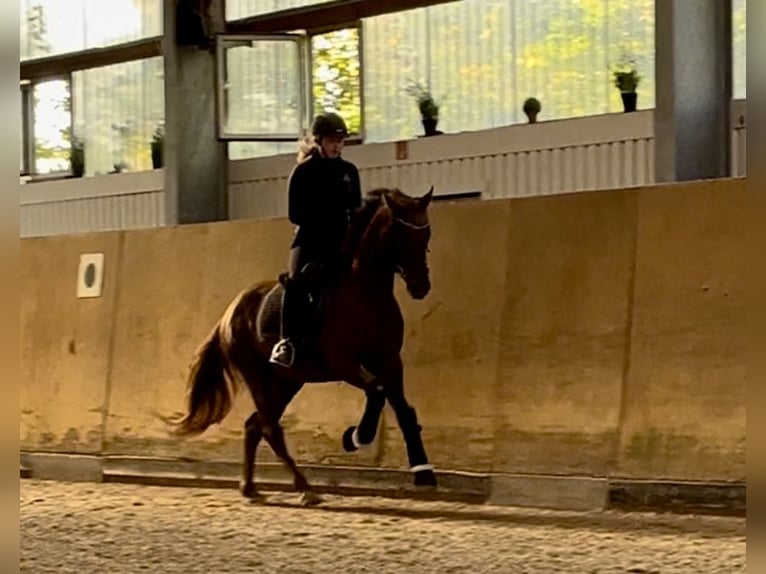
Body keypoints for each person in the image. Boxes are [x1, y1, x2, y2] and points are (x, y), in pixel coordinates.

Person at [269, 111, 362, 368]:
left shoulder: (349, 172)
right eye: (332, 141)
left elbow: (355, 210)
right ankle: (285, 342)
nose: (337, 146)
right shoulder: (303, 172)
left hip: (340, 243)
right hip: (309, 243)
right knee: (296, 282)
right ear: (319, 141)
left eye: (340, 142)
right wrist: (326, 224)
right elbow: (295, 214)